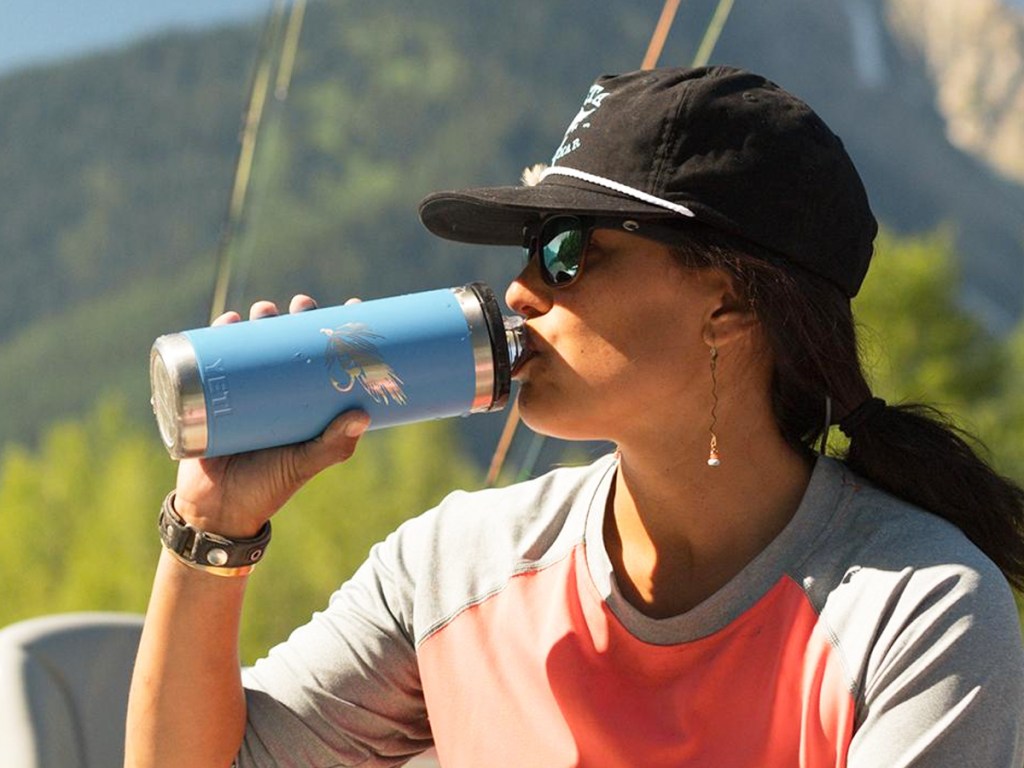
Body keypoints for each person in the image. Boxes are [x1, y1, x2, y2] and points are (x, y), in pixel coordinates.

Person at [125, 65, 1024, 767]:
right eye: (529, 248)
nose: (519, 289)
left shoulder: (918, 616)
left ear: (729, 305)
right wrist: (213, 523)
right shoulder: (453, 568)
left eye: (569, 252)